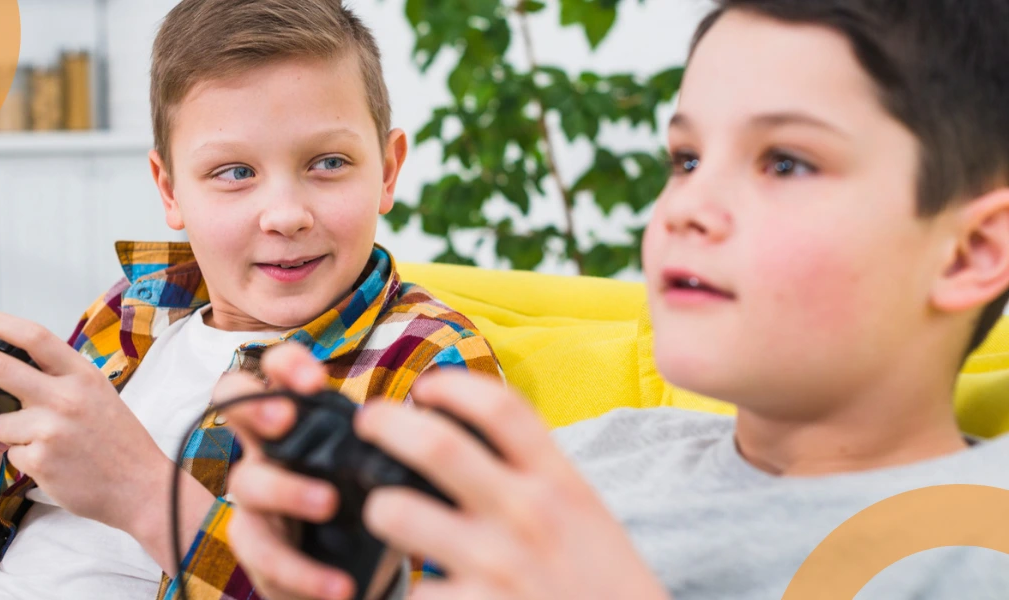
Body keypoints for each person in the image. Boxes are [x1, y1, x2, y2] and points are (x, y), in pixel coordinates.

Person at [219, 0, 1009, 598]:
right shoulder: (581, 465)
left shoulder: (979, 538)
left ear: (971, 252)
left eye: (787, 162)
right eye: (686, 157)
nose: (686, 206)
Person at [0, 1, 500, 598]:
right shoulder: (129, 312)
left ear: (387, 171)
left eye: (328, 162)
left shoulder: (427, 364)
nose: (285, 215)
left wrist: (148, 495)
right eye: (234, 172)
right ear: (170, 188)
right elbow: (5, 551)